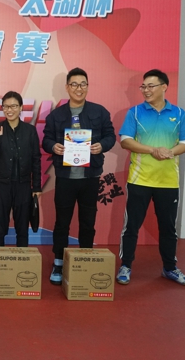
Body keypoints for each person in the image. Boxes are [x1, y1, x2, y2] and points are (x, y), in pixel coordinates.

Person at [116, 69, 185, 287]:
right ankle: (126, 266)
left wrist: (170, 152)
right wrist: (153, 150)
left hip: (168, 182)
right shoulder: (135, 112)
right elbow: (125, 140)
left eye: (151, 86)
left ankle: (170, 268)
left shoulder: (178, 114)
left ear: (164, 87)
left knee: (168, 228)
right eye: (143, 86)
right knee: (131, 226)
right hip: (139, 180)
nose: (146, 90)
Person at [42, 68, 116, 285]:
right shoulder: (56, 115)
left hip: (90, 176)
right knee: (62, 222)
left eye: (83, 84)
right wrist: (53, 146)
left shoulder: (99, 112)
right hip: (65, 177)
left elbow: (111, 135)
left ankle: (85, 257)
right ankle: (58, 261)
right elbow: (46, 139)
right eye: (74, 84)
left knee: (88, 221)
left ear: (88, 86)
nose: (79, 88)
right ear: (67, 87)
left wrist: (102, 145)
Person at [0, 91, 42, 247]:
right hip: (1, 187)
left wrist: (36, 186)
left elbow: (36, 159)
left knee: (22, 230)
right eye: (6, 106)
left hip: (23, 187)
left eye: (14, 106)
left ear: (21, 107)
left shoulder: (30, 131)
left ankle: (22, 261)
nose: (10, 110)